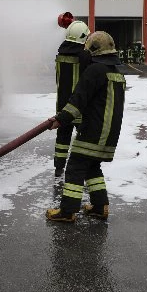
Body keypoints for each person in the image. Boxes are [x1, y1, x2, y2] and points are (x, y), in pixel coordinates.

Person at [46, 31, 126, 223]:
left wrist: (61, 118)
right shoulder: (116, 73)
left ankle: (67, 211)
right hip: (109, 134)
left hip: (93, 131)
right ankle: (100, 207)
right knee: (92, 167)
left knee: (74, 166)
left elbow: (78, 100)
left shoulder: (95, 70)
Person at [53, 20, 92, 177]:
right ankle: (84, 169)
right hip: (79, 107)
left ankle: (58, 168)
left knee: (62, 139)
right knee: (83, 140)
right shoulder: (84, 57)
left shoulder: (61, 54)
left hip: (63, 106)